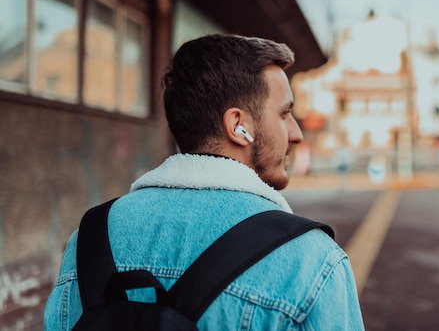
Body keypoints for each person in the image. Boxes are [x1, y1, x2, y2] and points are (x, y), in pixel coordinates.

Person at [44, 34, 365, 330]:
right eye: (284, 114)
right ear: (239, 126)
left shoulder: (88, 239)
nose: (296, 133)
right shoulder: (312, 260)